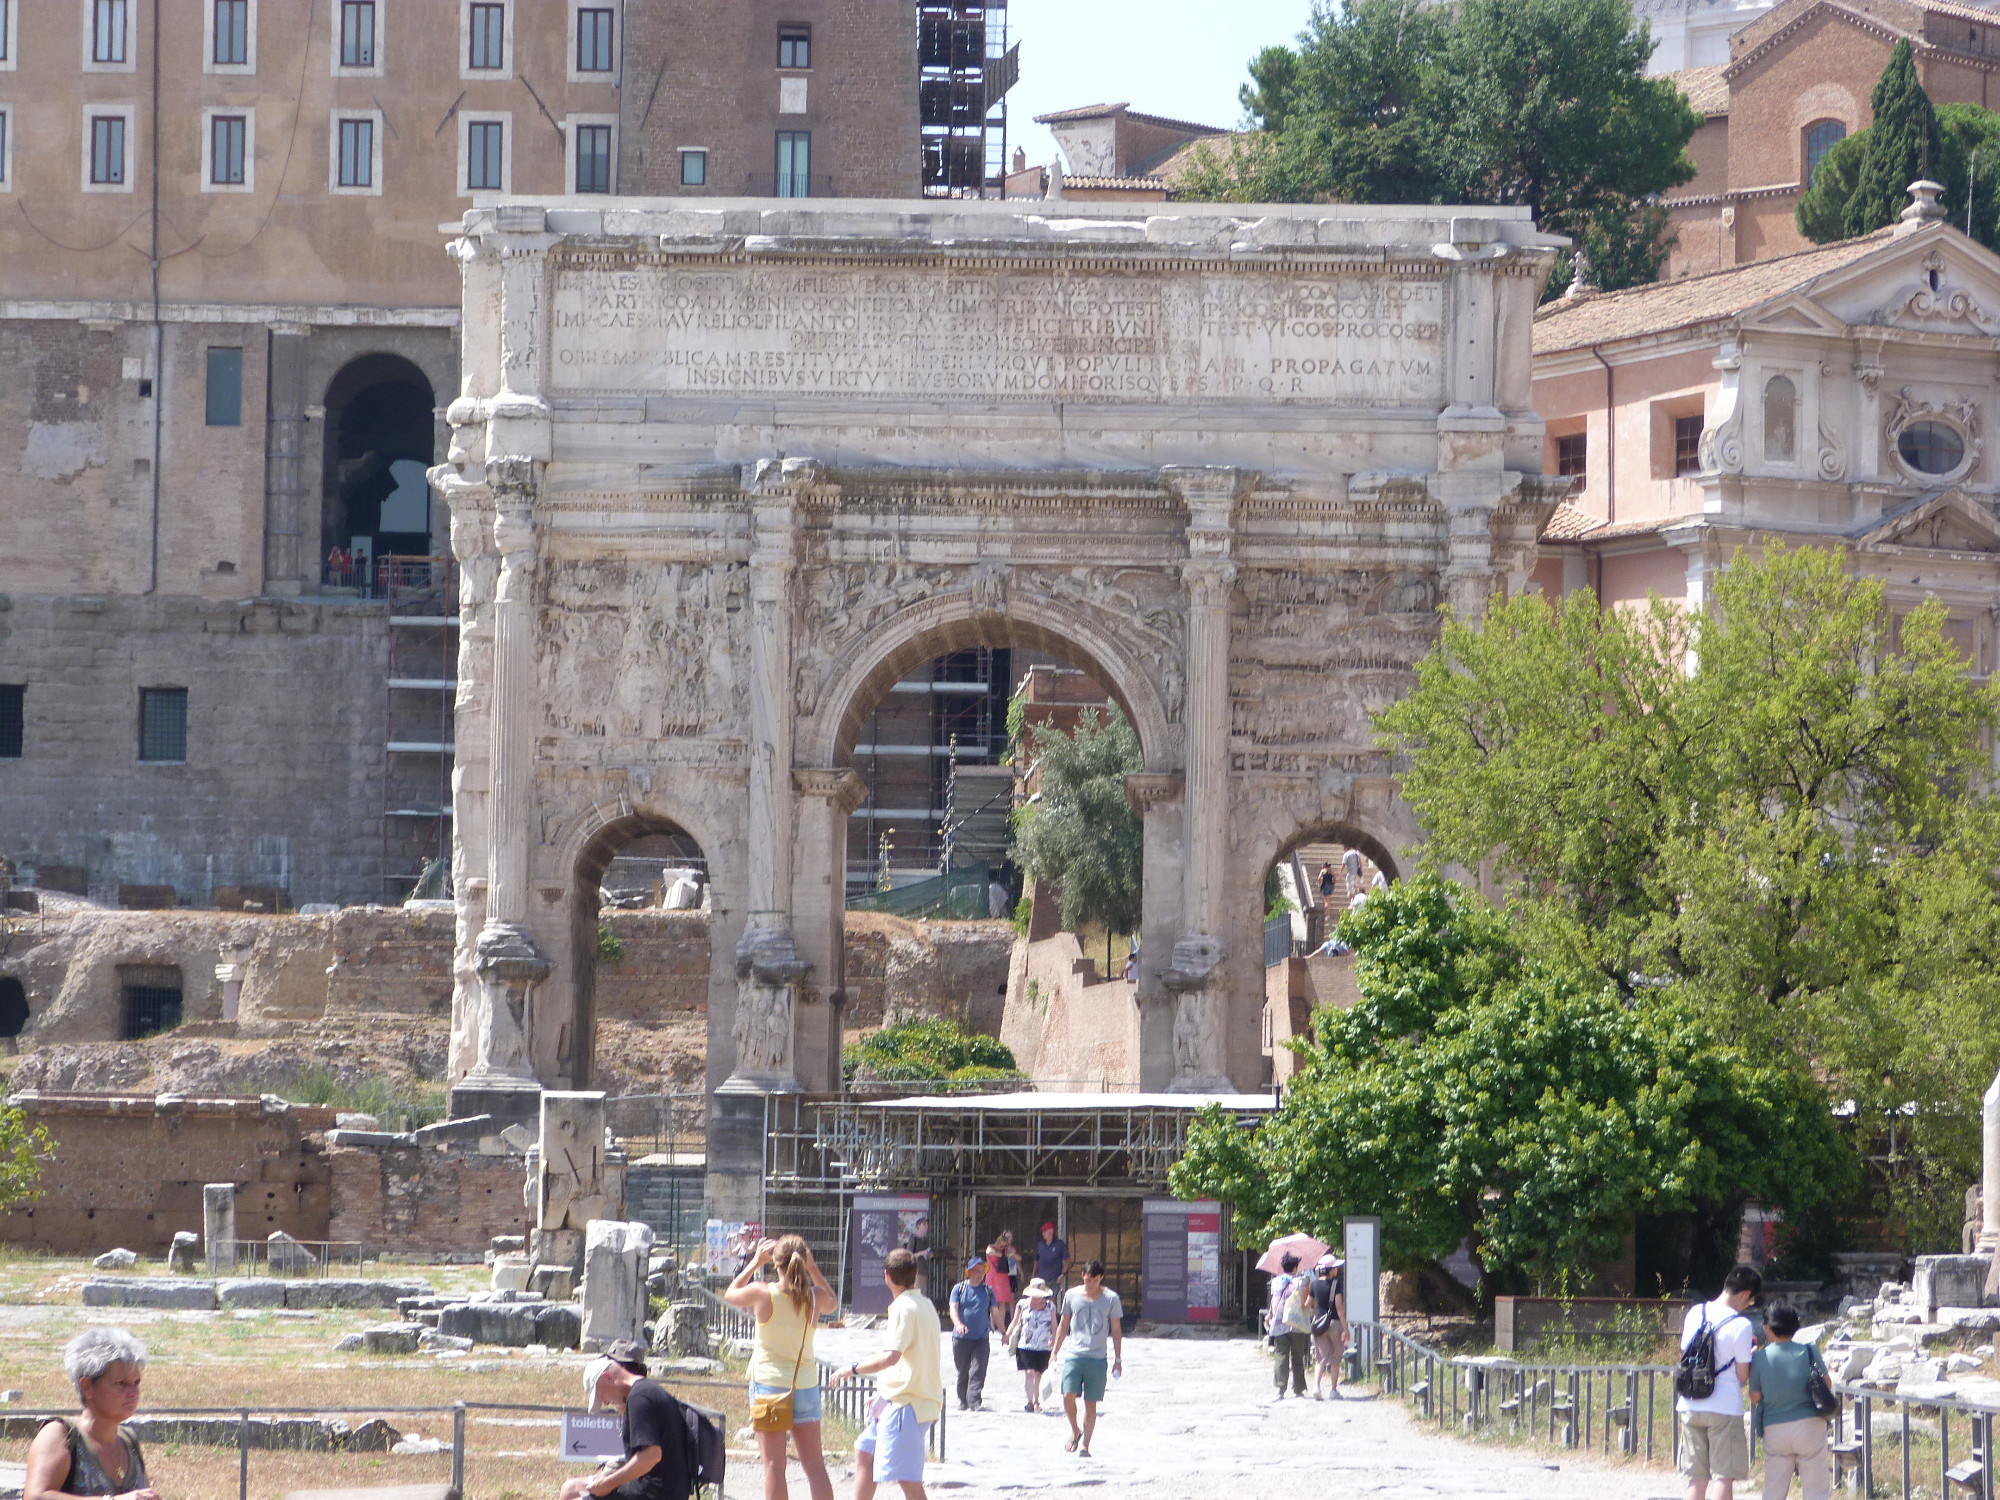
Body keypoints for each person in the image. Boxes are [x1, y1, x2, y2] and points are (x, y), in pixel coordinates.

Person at [724, 1236, 837, 1500]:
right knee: (815, 1467)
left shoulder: (763, 1292)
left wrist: (754, 1261)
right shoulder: (815, 1297)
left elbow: (730, 1294)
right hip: (805, 1384)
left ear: (776, 1264)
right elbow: (832, 1300)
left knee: (774, 1466)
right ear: (803, 1260)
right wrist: (813, 1268)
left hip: (769, 1385)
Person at [829, 1248, 942, 1500]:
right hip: (901, 1400)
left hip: (908, 1405)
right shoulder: (924, 1304)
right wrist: (884, 1394)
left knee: (907, 1478)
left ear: (886, 1275)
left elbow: (892, 1356)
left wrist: (852, 1368)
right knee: (865, 1451)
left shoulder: (903, 1307)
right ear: (914, 1274)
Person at [27, 1328, 158, 1500]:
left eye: (136, 1383)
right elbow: (35, 1497)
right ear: (87, 1387)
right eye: (121, 1383)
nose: (134, 1392)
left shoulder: (128, 1440)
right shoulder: (60, 1435)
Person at [561, 1340, 693, 1500]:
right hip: (665, 1490)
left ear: (607, 1377)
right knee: (572, 1489)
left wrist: (608, 1483)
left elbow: (651, 1455)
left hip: (654, 1493)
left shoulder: (639, 1398)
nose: (605, 1402)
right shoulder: (647, 1391)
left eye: (600, 1394)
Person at [1677, 1264, 1762, 1500]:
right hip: (1723, 1406)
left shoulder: (1695, 1312)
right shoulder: (1741, 1324)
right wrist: (1750, 1353)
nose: (1748, 1305)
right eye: (1750, 1301)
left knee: (1697, 1477)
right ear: (1745, 1294)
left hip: (1690, 1402)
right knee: (1723, 1475)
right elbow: (1742, 1376)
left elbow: (1685, 1353)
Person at [1749, 1305, 1832, 1500]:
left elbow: (1755, 1397)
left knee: (1774, 1489)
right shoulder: (1810, 1351)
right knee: (1816, 1488)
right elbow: (1827, 1384)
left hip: (1775, 1428)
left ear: (1768, 1327)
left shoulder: (1760, 1357)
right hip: (1810, 1426)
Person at [1048, 1259, 1123, 1457]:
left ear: (1101, 1279)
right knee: (1067, 1395)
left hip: (1098, 1357)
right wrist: (1055, 1351)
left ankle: (1086, 1446)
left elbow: (1116, 1329)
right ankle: (1075, 1430)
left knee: (1091, 1403)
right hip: (1075, 1354)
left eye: (1095, 1280)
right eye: (1088, 1279)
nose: (1091, 1284)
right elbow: (1064, 1325)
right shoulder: (1072, 1295)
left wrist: (1118, 1359)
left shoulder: (1111, 1299)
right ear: (1082, 1276)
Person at [948, 1256, 1001, 1411]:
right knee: (963, 1371)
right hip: (961, 1338)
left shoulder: (988, 1291)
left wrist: (1004, 1332)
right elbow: (953, 1308)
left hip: (981, 1338)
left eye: (981, 1271)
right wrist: (958, 1324)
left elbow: (995, 1312)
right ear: (969, 1272)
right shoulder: (959, 1288)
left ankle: (974, 1401)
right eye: (976, 1271)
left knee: (978, 1370)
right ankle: (963, 1400)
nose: (979, 1274)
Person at [1007, 1278, 1058, 1412]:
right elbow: (1015, 1321)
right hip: (1025, 1344)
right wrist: (1007, 1334)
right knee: (1029, 1372)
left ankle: (1036, 1401)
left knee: (1039, 1374)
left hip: (1044, 1346)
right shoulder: (1022, 1304)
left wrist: (1054, 1338)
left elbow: (1054, 1324)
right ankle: (1030, 1402)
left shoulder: (1050, 1306)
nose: (1036, 1298)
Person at [1266, 1253, 1312, 1400]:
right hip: (1296, 1325)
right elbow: (1304, 1304)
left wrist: (1270, 1315)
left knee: (1281, 1356)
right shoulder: (1300, 1282)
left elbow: (1274, 1301)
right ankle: (1298, 1389)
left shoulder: (1275, 1282)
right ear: (1295, 1268)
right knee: (1298, 1356)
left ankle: (1280, 1389)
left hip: (1279, 1324)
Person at [1308, 1253, 1348, 1401]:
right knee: (1336, 1358)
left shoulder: (1313, 1284)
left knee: (1321, 1358)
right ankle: (1333, 1390)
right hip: (1334, 1323)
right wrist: (1345, 1328)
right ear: (1331, 1270)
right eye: (1335, 1267)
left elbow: (1309, 1303)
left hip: (1318, 1323)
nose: (1337, 1269)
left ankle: (1316, 1387)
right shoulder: (1336, 1285)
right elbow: (1339, 1307)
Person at [1032, 1221, 1069, 1289]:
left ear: (1051, 1231)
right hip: (1041, 1279)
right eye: (1042, 1231)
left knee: (1052, 1299)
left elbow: (1068, 1260)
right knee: (1041, 1298)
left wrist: (1062, 1275)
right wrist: (1033, 1275)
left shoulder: (1059, 1244)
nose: (1043, 1233)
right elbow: (1036, 1261)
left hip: (1054, 1279)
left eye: (1044, 1231)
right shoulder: (1040, 1244)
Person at [986, 1231, 1018, 1306]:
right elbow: (989, 1252)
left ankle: (1001, 1318)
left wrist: (1012, 1254)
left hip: (1002, 1277)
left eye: (1004, 1246)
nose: (1002, 1248)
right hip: (992, 1276)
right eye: (1001, 1246)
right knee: (992, 1302)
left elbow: (1019, 1258)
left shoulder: (1005, 1251)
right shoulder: (991, 1247)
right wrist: (1001, 1255)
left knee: (1002, 1302)